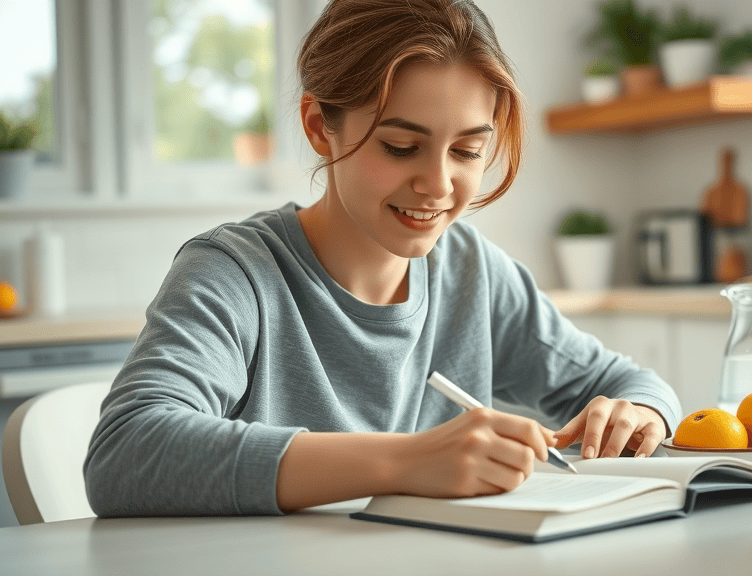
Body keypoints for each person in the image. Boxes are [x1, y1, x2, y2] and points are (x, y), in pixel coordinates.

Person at [84, 0, 682, 516]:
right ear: (321, 128)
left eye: (468, 151)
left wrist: (642, 413)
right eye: (401, 147)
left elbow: (628, 383)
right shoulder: (235, 273)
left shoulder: (471, 270)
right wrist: (406, 462)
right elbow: (125, 451)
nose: (439, 184)